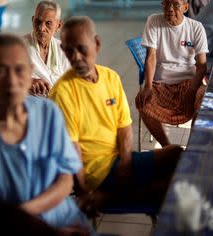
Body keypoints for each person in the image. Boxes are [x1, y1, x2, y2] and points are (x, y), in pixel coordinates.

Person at [0, 34, 93, 233]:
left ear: (30, 74)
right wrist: (32, 221)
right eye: (0, 70)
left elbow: (65, 178)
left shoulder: (48, 113)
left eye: (19, 70)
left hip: (62, 217)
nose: (11, 80)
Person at [49, 16, 183, 214]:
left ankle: (109, 199)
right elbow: (71, 150)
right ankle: (104, 198)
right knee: (170, 188)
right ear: (62, 51)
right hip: (97, 172)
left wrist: (126, 161)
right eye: (69, 51)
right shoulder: (62, 92)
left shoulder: (110, 77)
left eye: (81, 48)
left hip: (119, 160)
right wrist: (83, 191)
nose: (76, 57)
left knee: (177, 154)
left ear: (96, 44)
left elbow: (124, 125)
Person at [135, 0, 208, 147]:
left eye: (175, 4)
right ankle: (168, 147)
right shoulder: (153, 21)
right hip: (162, 84)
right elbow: (151, 57)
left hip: (189, 82)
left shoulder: (196, 27)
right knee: (142, 101)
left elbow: (202, 66)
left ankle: (191, 148)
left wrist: (191, 91)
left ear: (185, 7)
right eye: (166, 4)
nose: (169, 9)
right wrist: (147, 86)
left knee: (204, 99)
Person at [23, 0, 70, 96]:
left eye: (48, 23)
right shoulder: (19, 47)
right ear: (32, 20)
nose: (41, 28)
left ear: (58, 26)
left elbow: (71, 82)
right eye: (38, 22)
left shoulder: (64, 50)